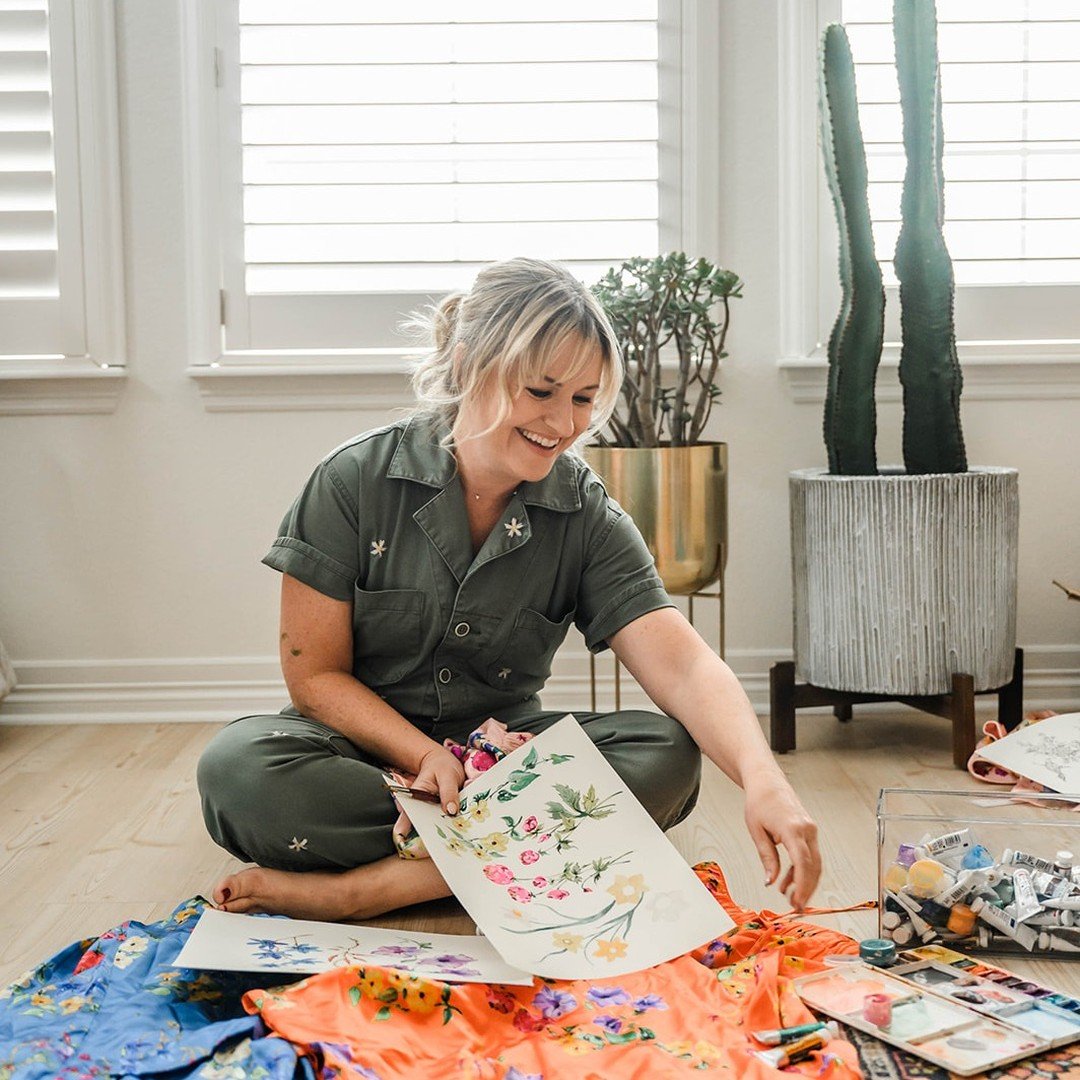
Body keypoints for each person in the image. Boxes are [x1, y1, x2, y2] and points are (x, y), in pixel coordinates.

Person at [197, 258, 821, 921]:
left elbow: (686, 665)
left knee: (665, 754)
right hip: (368, 757)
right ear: (468, 366)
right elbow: (315, 678)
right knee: (238, 770)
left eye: (583, 398)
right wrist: (422, 756)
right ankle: (514, 853)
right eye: (541, 390)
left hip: (504, 761)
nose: (563, 422)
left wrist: (765, 782)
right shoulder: (351, 482)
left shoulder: (584, 513)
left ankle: (375, 887)